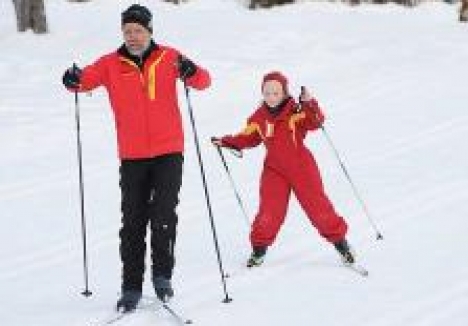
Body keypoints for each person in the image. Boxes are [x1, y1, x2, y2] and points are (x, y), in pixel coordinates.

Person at [61, 4, 211, 312]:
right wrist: (71, 78)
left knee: (163, 216)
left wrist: (191, 71)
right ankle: (130, 285)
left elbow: (204, 81)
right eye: (127, 31)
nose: (132, 36)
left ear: (149, 31)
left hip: (170, 151)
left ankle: (162, 275)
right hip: (132, 155)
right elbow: (83, 80)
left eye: (138, 30)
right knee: (132, 222)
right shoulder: (110, 63)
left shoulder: (170, 57)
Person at [211, 71, 355, 268]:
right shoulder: (258, 117)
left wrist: (309, 103)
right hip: (274, 170)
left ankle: (342, 246)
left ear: (285, 93)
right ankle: (258, 250)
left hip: (301, 167)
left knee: (318, 209)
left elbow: (315, 121)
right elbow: (248, 137)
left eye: (275, 93)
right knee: (269, 213)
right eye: (267, 93)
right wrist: (228, 142)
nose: (270, 97)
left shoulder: (296, 112)